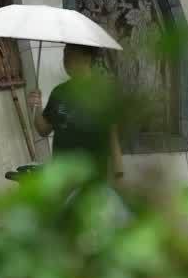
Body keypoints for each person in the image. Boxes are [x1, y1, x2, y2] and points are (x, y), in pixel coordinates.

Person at [27, 43, 124, 181]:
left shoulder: (104, 92)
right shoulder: (59, 92)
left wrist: (118, 175)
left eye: (71, 53)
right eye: (64, 53)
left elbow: (112, 138)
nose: (65, 59)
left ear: (87, 57)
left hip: (92, 178)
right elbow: (43, 130)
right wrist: (35, 107)